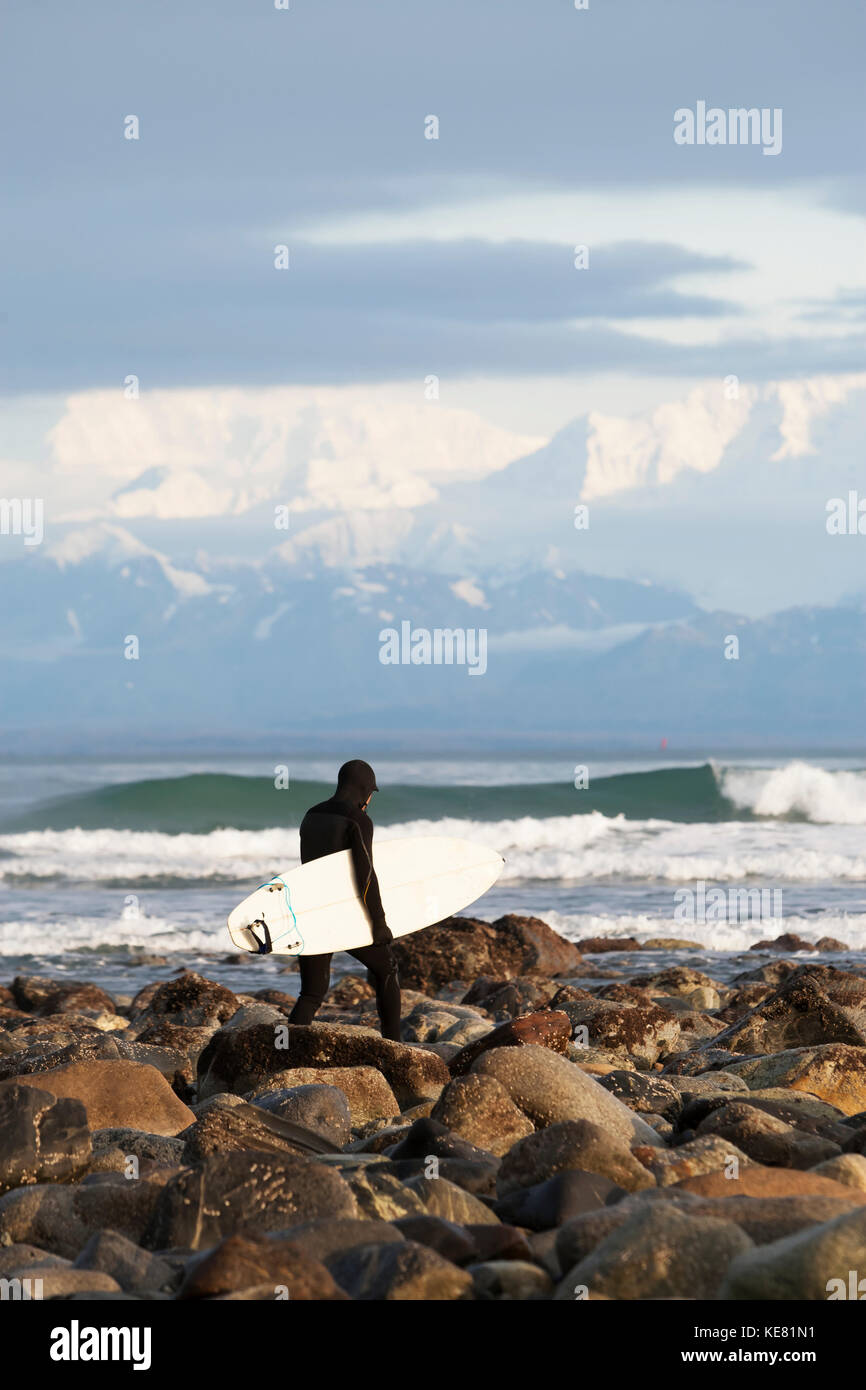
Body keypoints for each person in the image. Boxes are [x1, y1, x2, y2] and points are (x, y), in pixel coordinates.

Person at [288, 759, 401, 1040]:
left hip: (309, 909)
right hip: (340, 913)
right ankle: (394, 1043)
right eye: (371, 792)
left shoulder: (311, 814)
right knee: (387, 968)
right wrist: (379, 922)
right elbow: (366, 877)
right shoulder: (357, 819)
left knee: (312, 993)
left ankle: (284, 1050)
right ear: (364, 789)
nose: (370, 799)